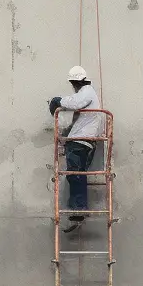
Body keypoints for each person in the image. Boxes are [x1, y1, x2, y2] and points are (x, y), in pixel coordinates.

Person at [49, 66, 105, 232]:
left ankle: (78, 210)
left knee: (75, 175)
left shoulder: (86, 92)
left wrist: (57, 101)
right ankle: (77, 213)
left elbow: (75, 102)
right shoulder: (88, 93)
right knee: (77, 175)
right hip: (85, 140)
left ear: (75, 82)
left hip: (80, 140)